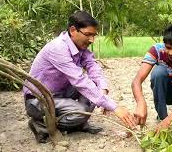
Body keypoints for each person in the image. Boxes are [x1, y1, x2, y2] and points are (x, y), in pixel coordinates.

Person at [23, 11, 136, 143]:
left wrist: (103, 91)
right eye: (88, 34)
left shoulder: (80, 47)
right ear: (72, 30)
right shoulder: (58, 48)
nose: (91, 40)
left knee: (94, 86)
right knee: (81, 111)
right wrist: (115, 107)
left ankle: (78, 123)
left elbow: (93, 68)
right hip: (39, 101)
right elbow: (79, 81)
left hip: (59, 93)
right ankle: (41, 126)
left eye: (94, 35)